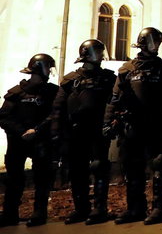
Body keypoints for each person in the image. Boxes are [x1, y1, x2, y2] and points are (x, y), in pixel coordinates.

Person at [103, 27, 162, 225]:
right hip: (132, 125)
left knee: (158, 167)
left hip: (157, 124)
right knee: (132, 168)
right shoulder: (127, 69)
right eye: (154, 42)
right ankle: (135, 208)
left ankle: (158, 208)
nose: (154, 46)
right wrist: (109, 121)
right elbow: (115, 98)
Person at [51, 40, 116, 225]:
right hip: (76, 131)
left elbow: (116, 101)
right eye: (95, 51)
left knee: (99, 167)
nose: (98, 55)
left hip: (98, 130)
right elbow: (58, 107)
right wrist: (57, 131)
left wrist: (112, 123)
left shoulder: (108, 78)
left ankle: (99, 208)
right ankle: (81, 208)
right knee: (77, 170)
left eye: (99, 51)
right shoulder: (71, 80)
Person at [0, 54, 58, 227]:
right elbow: (3, 117)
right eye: (48, 68)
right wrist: (22, 132)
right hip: (18, 143)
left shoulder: (52, 92)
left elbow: (55, 114)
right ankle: (10, 214)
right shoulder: (16, 93)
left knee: (42, 178)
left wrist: (37, 130)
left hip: (40, 141)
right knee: (14, 179)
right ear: (40, 69)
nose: (49, 72)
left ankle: (39, 213)